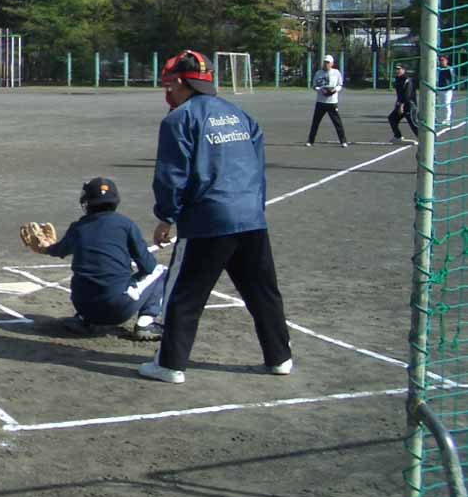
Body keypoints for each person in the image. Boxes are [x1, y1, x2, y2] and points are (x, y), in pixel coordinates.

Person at [141, 50, 292, 384]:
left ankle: (170, 364)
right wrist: (255, 206)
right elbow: (257, 168)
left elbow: (172, 174)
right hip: (250, 216)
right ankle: (279, 357)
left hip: (209, 220)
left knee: (185, 294)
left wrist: (166, 216)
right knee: (263, 292)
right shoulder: (240, 115)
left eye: (169, 85)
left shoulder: (179, 119)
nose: (167, 92)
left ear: (181, 82)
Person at [26, 178, 164, 340]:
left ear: (87, 202)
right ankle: (145, 324)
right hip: (118, 309)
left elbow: (59, 250)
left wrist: (46, 248)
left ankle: (85, 321)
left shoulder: (77, 227)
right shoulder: (126, 225)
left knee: (89, 280)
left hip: (83, 306)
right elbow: (148, 266)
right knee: (160, 271)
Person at [306, 54, 348, 147]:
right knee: (315, 122)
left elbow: (340, 85)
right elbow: (314, 86)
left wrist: (334, 90)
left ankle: (343, 141)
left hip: (332, 102)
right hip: (320, 102)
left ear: (332, 63)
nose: (326, 64)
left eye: (328, 63)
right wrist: (320, 90)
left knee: (337, 122)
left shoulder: (336, 73)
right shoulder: (318, 73)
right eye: (325, 62)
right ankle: (310, 140)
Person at [389, 63, 418, 143]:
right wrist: (398, 104)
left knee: (413, 124)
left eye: (399, 69)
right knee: (392, 118)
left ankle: (424, 139)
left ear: (404, 70)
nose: (397, 71)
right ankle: (398, 136)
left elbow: (407, 94)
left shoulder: (407, 80)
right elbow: (399, 94)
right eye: (396, 69)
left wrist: (401, 105)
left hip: (410, 105)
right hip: (401, 104)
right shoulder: (398, 79)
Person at [438, 55, 455, 127]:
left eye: (443, 60)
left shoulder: (449, 69)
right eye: (440, 60)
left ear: (446, 61)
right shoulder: (438, 69)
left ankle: (447, 119)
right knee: (439, 104)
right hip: (440, 88)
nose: (441, 62)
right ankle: (439, 118)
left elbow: (453, 78)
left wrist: (452, 86)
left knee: (446, 104)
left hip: (447, 89)